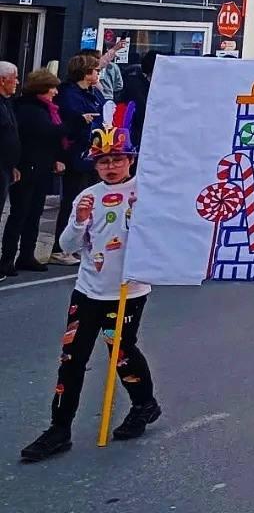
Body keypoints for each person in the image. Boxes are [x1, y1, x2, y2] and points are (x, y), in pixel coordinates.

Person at [20, 104, 160, 462]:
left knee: (121, 352)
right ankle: (59, 429)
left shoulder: (146, 193)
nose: (111, 167)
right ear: (95, 165)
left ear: (130, 160)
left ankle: (144, 404)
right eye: (103, 161)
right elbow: (67, 246)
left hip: (128, 292)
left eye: (117, 159)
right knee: (71, 359)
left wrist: (143, 219)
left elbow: (161, 238)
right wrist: (80, 221)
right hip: (88, 290)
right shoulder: (88, 196)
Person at [0, 70, 67, 278]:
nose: (56, 92)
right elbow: (46, 132)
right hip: (27, 166)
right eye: (52, 88)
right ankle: (7, 258)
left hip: (41, 166)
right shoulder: (28, 108)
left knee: (35, 212)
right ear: (42, 88)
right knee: (20, 213)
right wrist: (76, 124)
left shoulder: (46, 108)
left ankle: (27, 254)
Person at [50, 55, 106, 265]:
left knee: (92, 198)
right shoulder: (69, 94)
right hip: (76, 152)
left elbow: (103, 109)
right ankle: (61, 248)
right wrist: (82, 120)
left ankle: (83, 244)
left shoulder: (93, 92)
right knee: (73, 199)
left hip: (94, 151)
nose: (98, 74)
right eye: (95, 70)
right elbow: (67, 121)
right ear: (85, 73)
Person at [0, 61, 20, 237]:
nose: (17, 82)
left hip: (6, 166)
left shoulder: (7, 103)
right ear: (2, 80)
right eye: (15, 78)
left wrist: (12, 165)